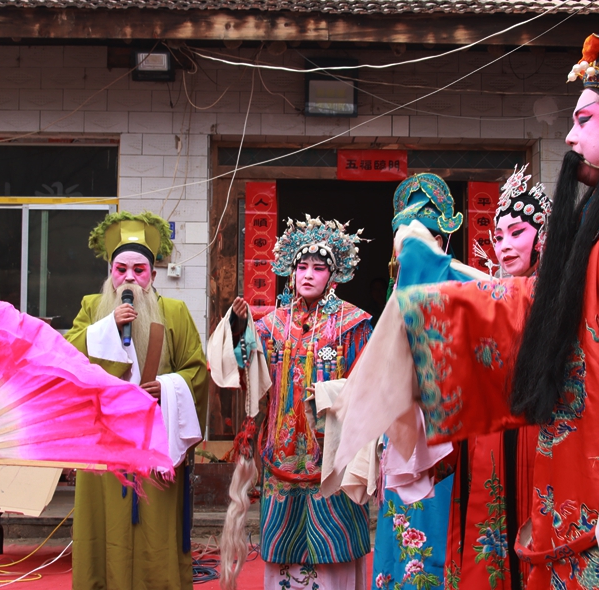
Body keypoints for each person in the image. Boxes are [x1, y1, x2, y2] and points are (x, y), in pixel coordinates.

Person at [329, 15, 599, 586]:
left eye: (584, 120)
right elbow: (534, 311)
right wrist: (438, 283)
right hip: (577, 476)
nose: (570, 138)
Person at [64, 211, 208, 590]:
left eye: (139, 270)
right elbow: (68, 360)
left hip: (157, 439)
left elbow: (196, 371)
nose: (129, 278)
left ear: (153, 275)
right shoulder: (91, 307)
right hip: (105, 443)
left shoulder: (174, 312)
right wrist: (107, 327)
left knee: (155, 530)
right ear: (110, 273)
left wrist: (169, 387)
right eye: (121, 269)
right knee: (103, 525)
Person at [229, 216, 373, 590]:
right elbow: (251, 379)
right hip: (282, 454)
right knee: (285, 551)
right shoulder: (271, 325)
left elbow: (368, 385)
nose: (308, 274)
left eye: (318, 268)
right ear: (290, 272)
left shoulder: (354, 324)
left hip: (332, 455)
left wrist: (331, 396)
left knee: (334, 549)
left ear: (333, 274)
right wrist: (238, 333)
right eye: (301, 266)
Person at [440, 166, 550, 590]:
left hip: (541, 433)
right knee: (484, 529)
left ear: (542, 236)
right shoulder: (489, 296)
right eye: (498, 236)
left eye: (517, 233)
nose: (503, 245)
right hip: (485, 438)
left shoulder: (561, 296)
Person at [372, 173, 467, 590]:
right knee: (400, 530)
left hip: (449, 432)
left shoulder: (463, 285)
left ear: (441, 242)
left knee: (442, 529)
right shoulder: (396, 296)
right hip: (402, 432)